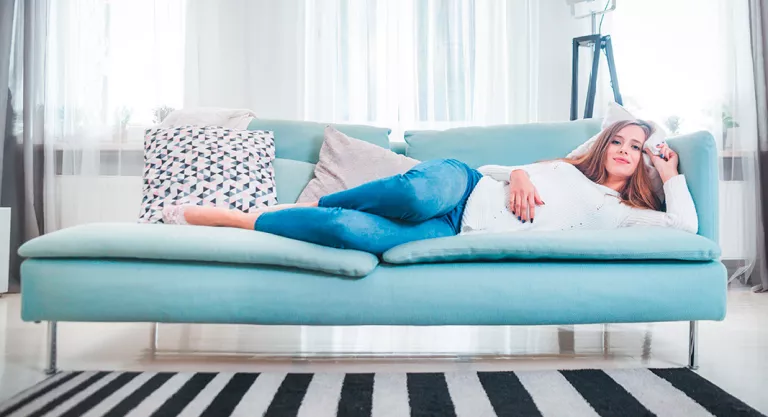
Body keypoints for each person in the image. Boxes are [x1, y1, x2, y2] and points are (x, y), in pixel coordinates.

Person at [162, 120, 697, 255]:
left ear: (644, 166)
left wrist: (671, 173)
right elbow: (490, 170)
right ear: (605, 144)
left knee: (353, 232)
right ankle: (311, 201)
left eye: (638, 147)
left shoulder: (618, 211)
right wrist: (516, 172)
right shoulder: (567, 169)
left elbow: (684, 227)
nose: (626, 150)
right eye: (620, 141)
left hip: (449, 230)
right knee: (414, 194)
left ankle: (242, 219)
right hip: (459, 184)